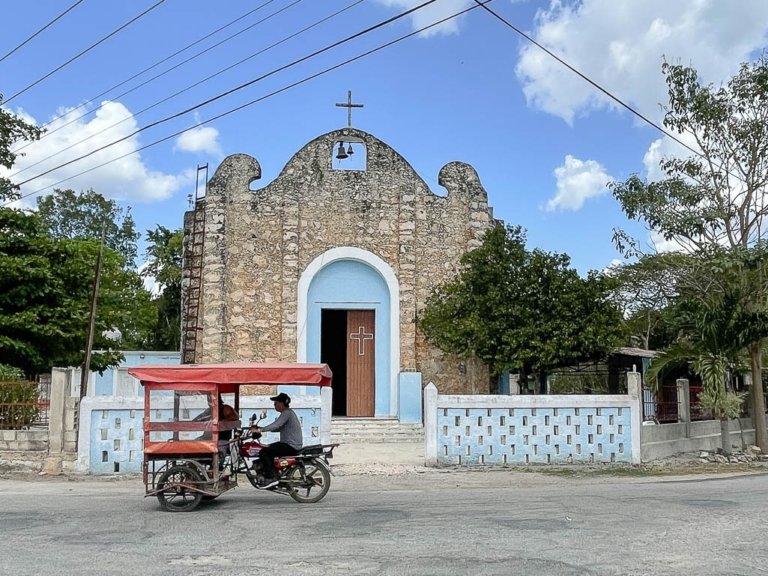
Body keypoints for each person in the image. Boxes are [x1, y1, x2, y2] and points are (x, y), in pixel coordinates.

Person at [252, 392, 302, 489]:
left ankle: (271, 477)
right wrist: (261, 428)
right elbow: (277, 428)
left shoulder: (287, 413)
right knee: (267, 448)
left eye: (276, 403)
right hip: (288, 444)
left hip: (291, 446)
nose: (274, 405)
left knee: (264, 452)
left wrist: (260, 430)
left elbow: (276, 425)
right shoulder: (288, 413)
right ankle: (273, 472)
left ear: (282, 403)